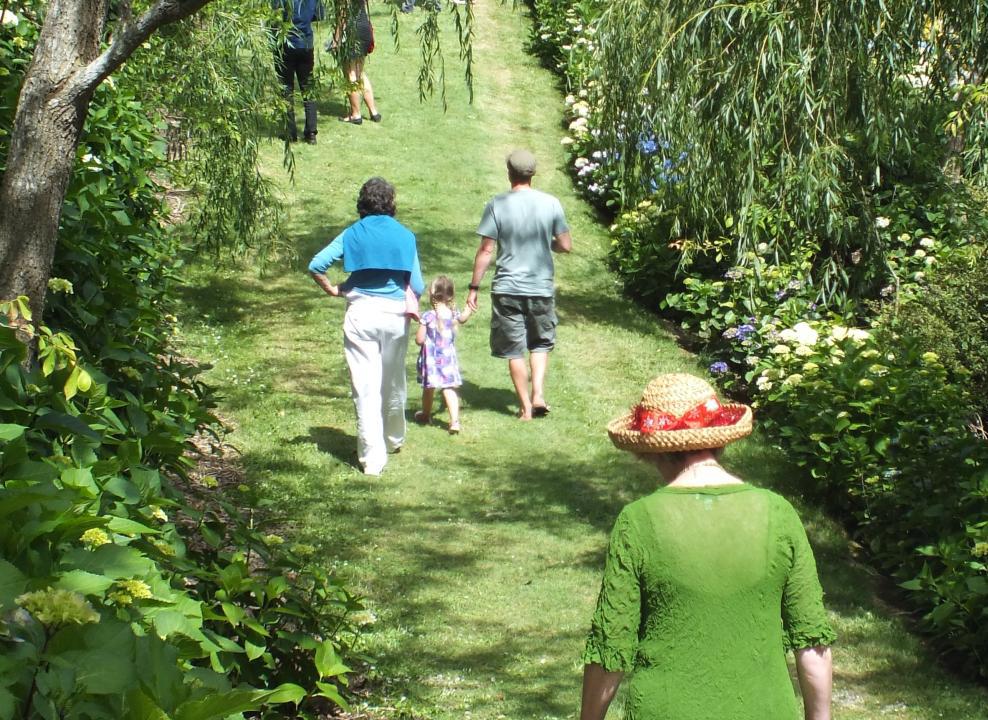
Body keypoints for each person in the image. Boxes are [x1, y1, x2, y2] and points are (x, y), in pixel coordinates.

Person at [580, 373, 835, 720]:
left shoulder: (637, 521)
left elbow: (611, 646)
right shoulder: (779, 513)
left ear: (650, 451)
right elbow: (812, 644)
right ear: (720, 441)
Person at [308, 177, 424, 476]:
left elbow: (316, 265)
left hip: (361, 313)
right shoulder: (406, 236)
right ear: (391, 203)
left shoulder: (352, 233)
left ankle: (372, 459)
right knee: (393, 378)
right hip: (395, 316)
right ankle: (393, 437)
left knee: (365, 385)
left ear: (362, 203)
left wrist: (332, 289)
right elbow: (419, 285)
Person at [466, 149, 572, 420]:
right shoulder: (551, 203)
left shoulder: (497, 204)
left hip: (507, 289)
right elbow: (565, 245)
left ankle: (525, 406)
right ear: (532, 174)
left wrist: (474, 288)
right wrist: (545, 243)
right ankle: (538, 393)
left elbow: (486, 250)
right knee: (540, 343)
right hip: (540, 288)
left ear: (509, 173)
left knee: (514, 349)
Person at [414, 275, 473, 434]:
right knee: (449, 388)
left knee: (429, 388)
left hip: (431, 360)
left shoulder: (428, 316)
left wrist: (420, 329)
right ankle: (454, 422)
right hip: (447, 359)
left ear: (431, 293)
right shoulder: (453, 314)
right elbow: (462, 319)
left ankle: (426, 415)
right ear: (451, 295)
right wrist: (469, 309)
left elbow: (419, 340)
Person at [274, 0, 325, 144]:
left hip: (285, 45)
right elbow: (319, 14)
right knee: (307, 88)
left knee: (286, 88)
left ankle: (290, 132)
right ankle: (311, 132)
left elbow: (274, 16)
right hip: (305, 44)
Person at [331, 0, 381, 125]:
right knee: (360, 73)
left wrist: (336, 41)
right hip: (365, 28)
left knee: (351, 74)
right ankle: (373, 112)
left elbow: (343, 16)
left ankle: (355, 114)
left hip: (353, 31)